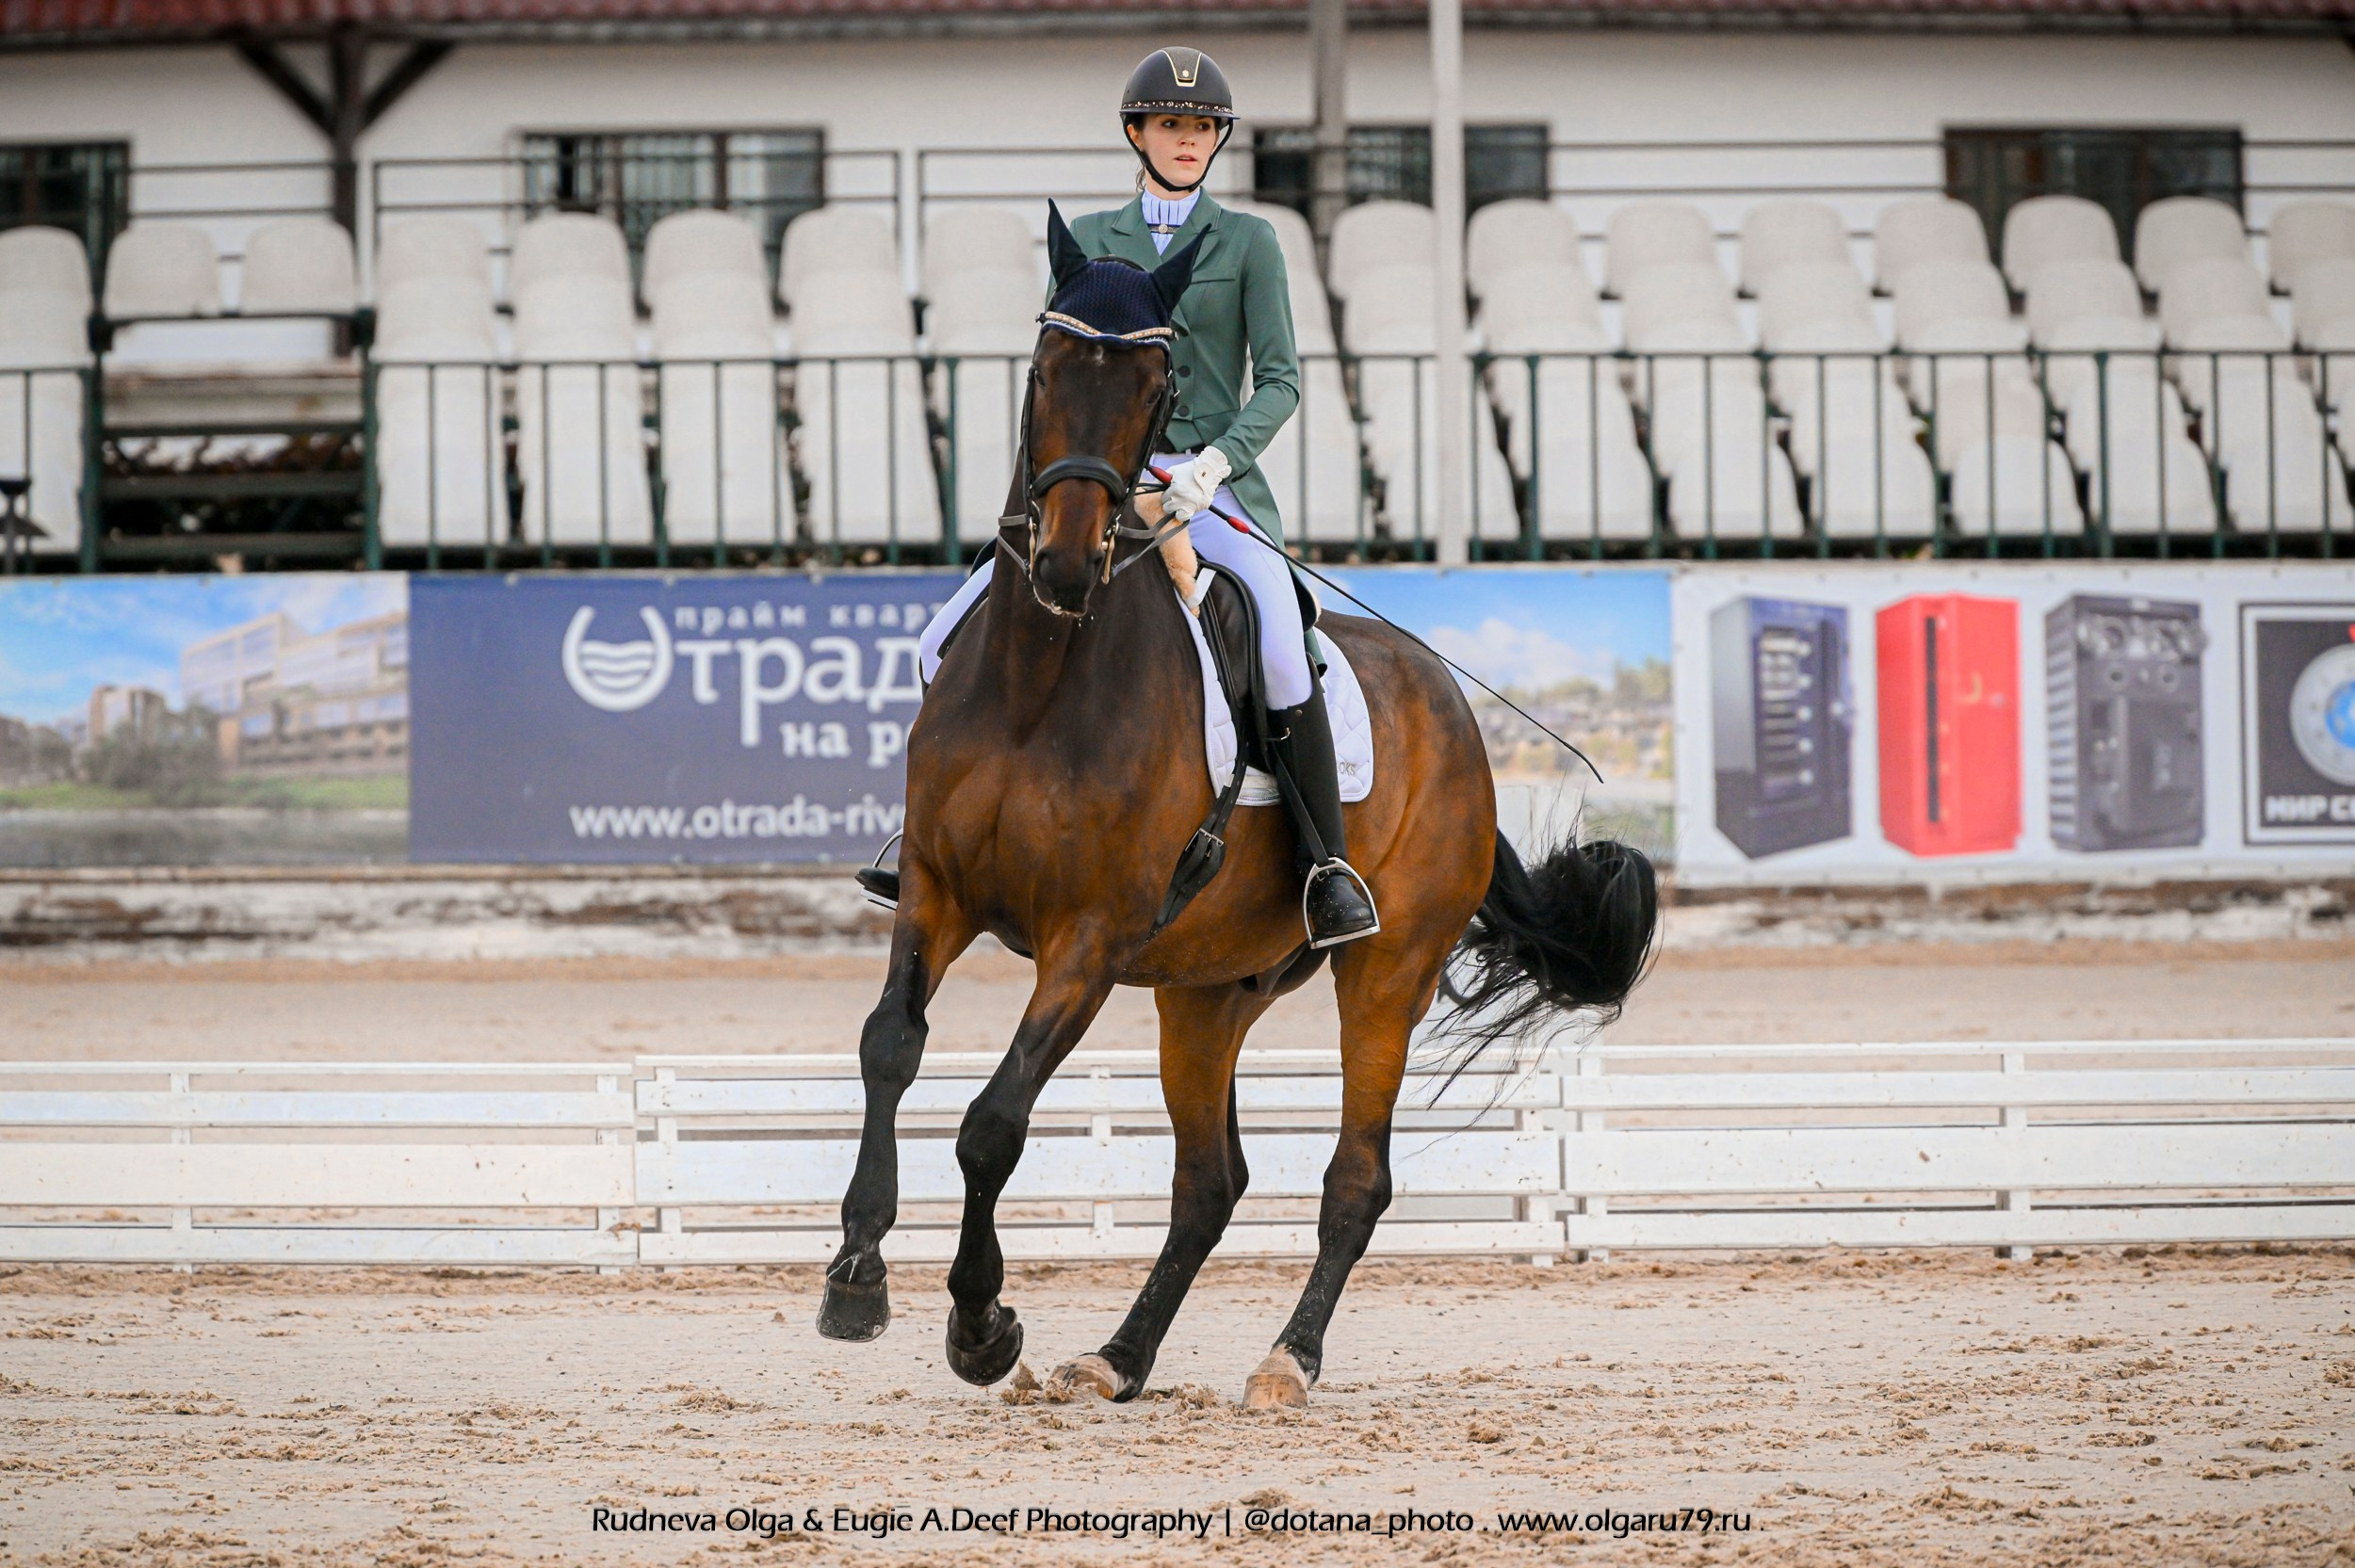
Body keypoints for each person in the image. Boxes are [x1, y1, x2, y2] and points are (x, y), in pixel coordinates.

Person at [917, 45, 1378, 949]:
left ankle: (1326, 867)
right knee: (938, 639)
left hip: (1210, 491)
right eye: (1170, 124)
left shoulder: (1250, 243)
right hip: (1103, 490)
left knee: (1283, 649)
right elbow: (1059, 377)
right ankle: (929, 841)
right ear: (1138, 133)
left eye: (1201, 127)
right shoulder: (1090, 240)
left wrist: (1216, 462)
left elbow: (1280, 380)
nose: (1187, 139)